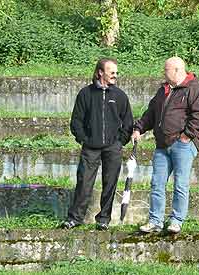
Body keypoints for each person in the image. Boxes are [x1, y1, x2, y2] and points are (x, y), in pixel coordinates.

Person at [132, 57, 199, 234]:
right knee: (157, 183)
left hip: (183, 144)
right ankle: (155, 221)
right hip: (162, 145)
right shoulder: (163, 90)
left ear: (177, 70)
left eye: (165, 70)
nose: (163, 73)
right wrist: (139, 128)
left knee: (180, 184)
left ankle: (176, 220)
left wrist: (186, 136)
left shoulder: (195, 89)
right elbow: (151, 113)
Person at [62, 58, 133, 230]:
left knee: (110, 184)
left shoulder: (120, 96)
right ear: (100, 72)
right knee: (84, 183)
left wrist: (119, 142)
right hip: (90, 148)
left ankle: (103, 219)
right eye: (112, 72)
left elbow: (128, 122)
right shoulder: (85, 94)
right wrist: (84, 139)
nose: (115, 75)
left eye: (116, 72)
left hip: (112, 148)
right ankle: (75, 218)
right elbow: (76, 122)